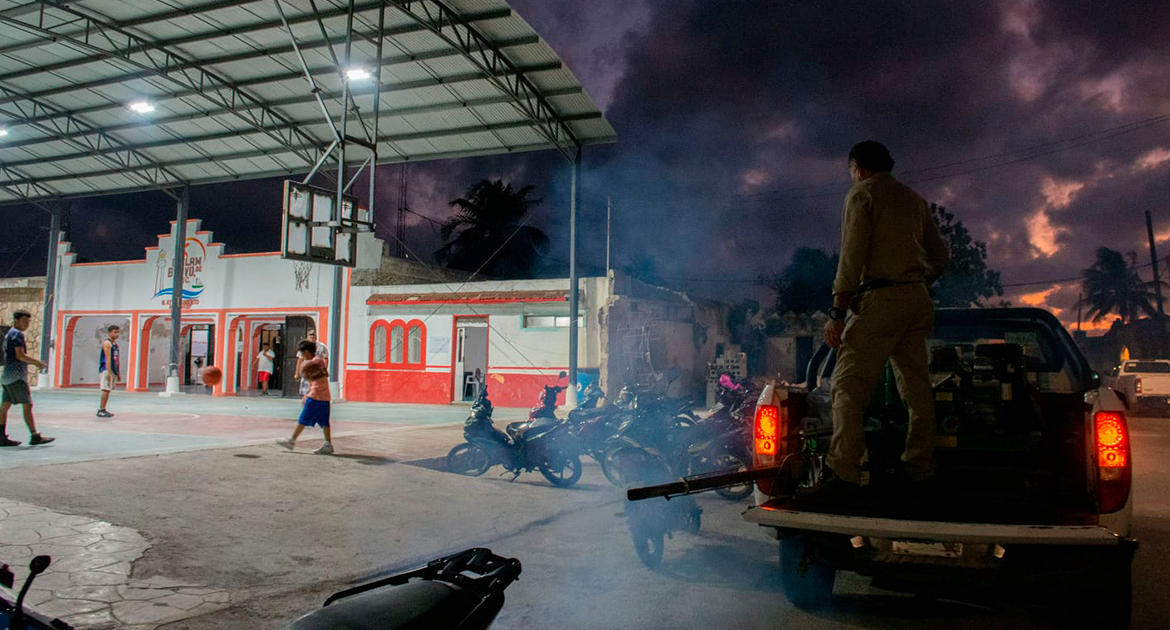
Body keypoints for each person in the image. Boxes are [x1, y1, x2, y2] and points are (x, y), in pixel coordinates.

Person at [805, 141, 950, 500]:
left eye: (851, 171)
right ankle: (920, 468)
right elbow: (941, 257)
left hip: (881, 300)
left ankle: (845, 473)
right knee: (917, 391)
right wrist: (916, 280)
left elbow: (851, 256)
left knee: (847, 386)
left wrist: (837, 312)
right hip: (916, 301)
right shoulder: (915, 200)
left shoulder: (863, 194)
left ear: (859, 168)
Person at [1, 310, 55, 446]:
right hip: (17, 377)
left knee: (5, 406)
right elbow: (20, 355)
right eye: (24, 321)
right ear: (16, 320)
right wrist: (37, 362)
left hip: (7, 376)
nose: (27, 324)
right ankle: (34, 435)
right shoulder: (17, 334)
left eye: (28, 322)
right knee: (27, 404)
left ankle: (1, 436)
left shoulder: (9, 334)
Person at [277, 340, 333, 455]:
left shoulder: (314, 362)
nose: (302, 356)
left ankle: (291, 441)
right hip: (324, 396)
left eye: (302, 353)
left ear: (307, 352)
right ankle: (328, 444)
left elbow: (316, 379)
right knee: (324, 421)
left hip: (316, 396)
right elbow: (322, 376)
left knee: (303, 418)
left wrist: (308, 394)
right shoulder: (319, 360)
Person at [296, 329, 329, 401]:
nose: (312, 338)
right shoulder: (304, 348)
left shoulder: (316, 360)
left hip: (316, 397)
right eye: (310, 336)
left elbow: (326, 358)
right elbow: (300, 359)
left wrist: (325, 368)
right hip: (307, 374)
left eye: (313, 336)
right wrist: (297, 373)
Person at [97, 324, 121, 417]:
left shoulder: (115, 345)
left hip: (113, 369)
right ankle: (101, 410)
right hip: (106, 369)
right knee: (105, 389)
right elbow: (108, 358)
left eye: (118, 332)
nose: (117, 334)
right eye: (115, 332)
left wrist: (118, 373)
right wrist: (109, 373)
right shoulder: (107, 343)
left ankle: (103, 409)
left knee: (108, 390)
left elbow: (117, 359)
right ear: (109, 333)